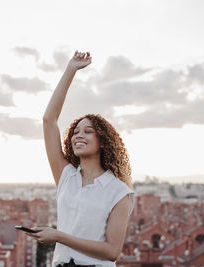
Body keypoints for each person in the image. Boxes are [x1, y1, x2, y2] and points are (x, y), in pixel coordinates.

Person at [26, 50, 135, 267]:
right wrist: (70, 69)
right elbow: (49, 120)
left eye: (87, 131)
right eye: (75, 131)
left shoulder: (119, 191)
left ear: (102, 141)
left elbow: (112, 251)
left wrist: (58, 236)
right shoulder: (66, 176)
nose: (78, 135)